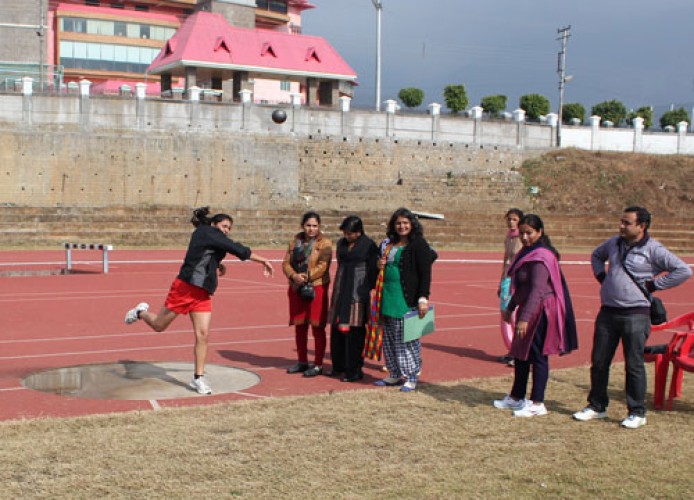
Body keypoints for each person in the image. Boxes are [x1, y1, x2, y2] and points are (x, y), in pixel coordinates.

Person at [124, 207, 274, 395]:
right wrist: (263, 260)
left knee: (202, 334)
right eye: (224, 226)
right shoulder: (206, 232)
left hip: (202, 293)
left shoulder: (212, 237)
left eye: (229, 228)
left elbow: (204, 253)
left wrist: (217, 264)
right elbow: (237, 248)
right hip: (184, 288)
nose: (226, 230)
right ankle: (140, 312)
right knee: (158, 326)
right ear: (214, 224)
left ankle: (198, 378)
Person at [573, 206, 691, 429]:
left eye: (627, 223)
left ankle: (637, 411)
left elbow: (682, 270)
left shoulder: (654, 249)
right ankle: (597, 405)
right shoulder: (613, 243)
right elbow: (597, 255)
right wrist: (602, 276)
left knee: (634, 364)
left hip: (635, 314)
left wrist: (656, 284)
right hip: (607, 312)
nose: (621, 226)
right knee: (599, 362)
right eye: (621, 221)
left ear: (641, 226)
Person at [493, 214, 577, 417]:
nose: (524, 237)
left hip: (542, 310)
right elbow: (523, 286)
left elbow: (537, 290)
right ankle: (516, 396)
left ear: (540, 232)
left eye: (529, 233)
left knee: (538, 355)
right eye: (521, 233)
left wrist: (524, 318)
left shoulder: (541, 256)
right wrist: (511, 307)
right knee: (520, 353)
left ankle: (537, 402)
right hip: (529, 307)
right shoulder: (526, 252)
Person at [372, 208, 433, 393]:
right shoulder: (388, 244)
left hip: (406, 299)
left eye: (405, 223)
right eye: (398, 223)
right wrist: (379, 264)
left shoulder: (419, 244)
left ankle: (411, 376)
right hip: (387, 296)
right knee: (389, 338)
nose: (402, 226)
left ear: (412, 224)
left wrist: (423, 298)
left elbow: (425, 273)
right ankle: (394, 373)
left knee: (407, 339)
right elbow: (381, 265)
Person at [327, 215, 379, 382]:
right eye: (345, 233)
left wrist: (367, 289)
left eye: (350, 233)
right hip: (341, 288)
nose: (347, 236)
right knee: (337, 329)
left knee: (355, 332)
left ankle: (354, 370)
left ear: (359, 232)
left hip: (358, 290)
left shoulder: (369, 245)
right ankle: (338, 366)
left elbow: (373, 271)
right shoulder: (341, 244)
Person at [282, 211, 333, 377]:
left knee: (317, 327)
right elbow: (286, 263)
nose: (311, 229)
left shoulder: (325, 243)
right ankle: (302, 361)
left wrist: (307, 276)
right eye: (308, 225)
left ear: (319, 226)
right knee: (300, 326)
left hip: (316, 287)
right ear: (302, 226)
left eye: (315, 226)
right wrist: (294, 276)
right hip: (297, 287)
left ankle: (318, 364)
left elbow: (323, 265)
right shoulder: (294, 242)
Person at [498, 208, 524, 366]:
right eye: (509, 219)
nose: (511, 222)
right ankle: (511, 350)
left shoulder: (522, 238)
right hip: (507, 279)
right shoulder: (509, 237)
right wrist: (500, 282)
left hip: (516, 280)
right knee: (505, 315)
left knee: (514, 315)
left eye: (514, 219)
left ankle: (519, 352)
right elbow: (505, 259)